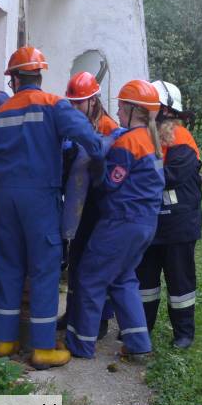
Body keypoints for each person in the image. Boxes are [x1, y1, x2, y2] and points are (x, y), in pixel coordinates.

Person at [0, 46, 104, 369]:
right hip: (40, 198)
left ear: (14, 79)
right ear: (39, 75)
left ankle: (5, 341)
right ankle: (42, 348)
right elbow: (89, 138)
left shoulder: (1, 111)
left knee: (8, 266)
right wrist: (98, 163)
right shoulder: (54, 105)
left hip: (5, 197)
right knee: (44, 269)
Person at [65, 80, 165, 361]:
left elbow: (110, 183)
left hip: (121, 223)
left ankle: (81, 345)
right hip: (145, 224)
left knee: (90, 277)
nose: (118, 112)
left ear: (134, 110)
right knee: (123, 280)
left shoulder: (129, 143)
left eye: (121, 107)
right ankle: (138, 343)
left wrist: (96, 163)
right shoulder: (151, 141)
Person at [136, 80, 202, 349]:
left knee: (180, 281)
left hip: (178, 224)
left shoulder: (181, 138)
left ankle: (184, 333)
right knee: (145, 282)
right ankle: (141, 328)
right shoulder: (145, 135)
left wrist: (136, 173)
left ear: (164, 110)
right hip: (151, 222)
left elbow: (171, 176)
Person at [60, 71, 119, 338]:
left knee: (96, 263)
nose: (74, 107)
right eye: (71, 102)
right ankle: (72, 312)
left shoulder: (107, 127)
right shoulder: (75, 125)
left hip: (99, 202)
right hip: (80, 202)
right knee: (76, 257)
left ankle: (101, 320)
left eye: (79, 102)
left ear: (93, 100)